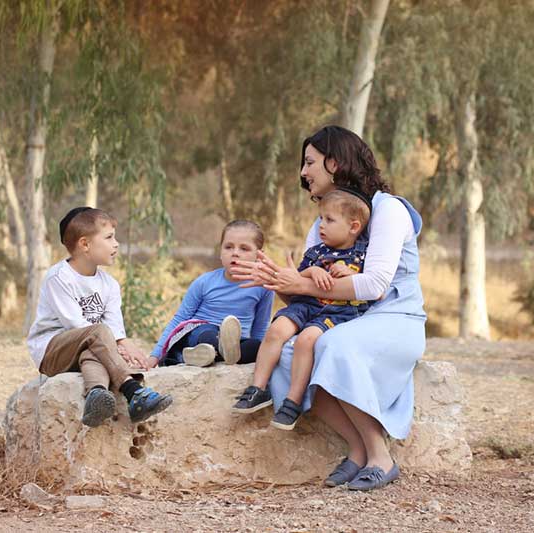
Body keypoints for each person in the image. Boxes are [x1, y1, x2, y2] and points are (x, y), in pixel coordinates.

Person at [231, 125, 426, 491]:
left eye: (310, 162)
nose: (303, 173)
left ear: (334, 163)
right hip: (347, 319)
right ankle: (356, 450)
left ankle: (379, 455)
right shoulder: (323, 226)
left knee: (333, 346)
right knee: (290, 356)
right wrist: (279, 282)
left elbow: (374, 285)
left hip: (395, 319)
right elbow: (314, 299)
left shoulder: (388, 210)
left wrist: (300, 282)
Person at [232, 190, 372, 432]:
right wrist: (312, 272)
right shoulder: (316, 252)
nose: (321, 225)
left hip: (336, 313)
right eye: (320, 218)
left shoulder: (363, 254)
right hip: (306, 303)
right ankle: (258, 388)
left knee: (306, 341)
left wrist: (353, 275)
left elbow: (375, 288)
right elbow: (296, 279)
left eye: (329, 220)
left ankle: (293, 401)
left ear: (353, 226)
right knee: (277, 330)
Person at [27, 207, 172, 428]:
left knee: (96, 347)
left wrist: (122, 342)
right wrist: (118, 344)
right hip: (52, 351)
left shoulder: (109, 285)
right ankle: (133, 391)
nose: (116, 244)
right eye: (109, 237)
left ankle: (96, 395)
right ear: (85, 244)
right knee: (99, 334)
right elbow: (76, 324)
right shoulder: (59, 277)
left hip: (87, 347)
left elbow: (113, 324)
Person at [150, 220, 274, 367]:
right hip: (200, 333)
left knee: (255, 346)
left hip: (236, 341)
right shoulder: (205, 282)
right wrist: (155, 356)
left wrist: (261, 356)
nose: (235, 253)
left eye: (244, 249)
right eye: (228, 247)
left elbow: (260, 326)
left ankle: (207, 356)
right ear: (220, 251)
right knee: (209, 334)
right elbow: (180, 318)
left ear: (259, 255)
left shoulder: (264, 286)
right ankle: (206, 352)